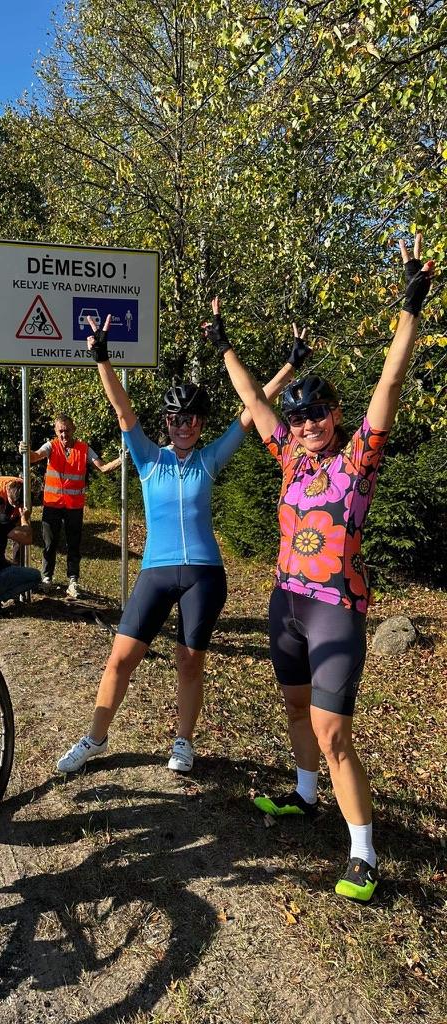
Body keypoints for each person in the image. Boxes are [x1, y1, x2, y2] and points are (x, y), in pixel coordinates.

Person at [211, 234, 435, 901]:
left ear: (336, 418)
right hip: (286, 604)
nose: (304, 423)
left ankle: (363, 851)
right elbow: (253, 399)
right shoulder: (290, 459)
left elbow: (391, 382)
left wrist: (409, 308)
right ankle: (304, 797)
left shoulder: (358, 459)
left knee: (333, 732)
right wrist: (223, 341)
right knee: (294, 707)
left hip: (337, 609)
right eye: (300, 415)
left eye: (316, 414)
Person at [56, 312, 306, 776]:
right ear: (167, 422)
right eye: (175, 418)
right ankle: (94, 737)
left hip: (204, 575)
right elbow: (122, 411)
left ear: (201, 422)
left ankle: (183, 742)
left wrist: (290, 366)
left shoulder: (209, 459)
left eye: (191, 418)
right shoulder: (149, 459)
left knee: (189, 662)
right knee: (120, 658)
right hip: (156, 570)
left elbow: (253, 409)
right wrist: (101, 358)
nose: (184, 425)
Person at [20, 416, 120, 597]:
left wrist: (121, 460)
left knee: (74, 544)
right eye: (60, 431)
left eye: (67, 430)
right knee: (49, 543)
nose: (64, 434)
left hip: (74, 507)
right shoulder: (51, 446)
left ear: (73, 429)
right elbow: (36, 456)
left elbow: (103, 468)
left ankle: (73, 581)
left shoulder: (84, 448)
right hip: (52, 504)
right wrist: (27, 452)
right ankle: (47, 579)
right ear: (55, 431)